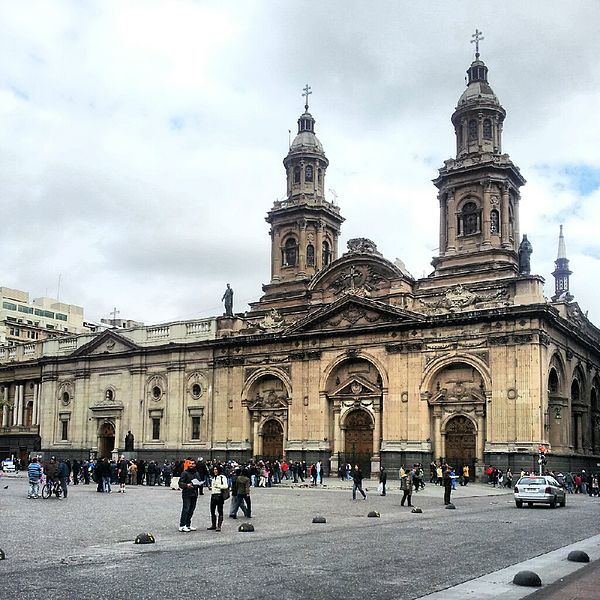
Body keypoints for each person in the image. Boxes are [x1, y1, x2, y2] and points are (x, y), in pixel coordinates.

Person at [178, 459, 201, 532]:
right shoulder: (185, 473)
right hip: (187, 493)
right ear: (188, 464)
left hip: (194, 493)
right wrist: (186, 485)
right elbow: (180, 483)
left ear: (195, 465)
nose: (191, 465)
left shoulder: (197, 473)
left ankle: (188, 524)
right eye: (190, 464)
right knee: (186, 509)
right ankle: (182, 525)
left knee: (191, 509)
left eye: (193, 464)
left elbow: (199, 482)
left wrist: (198, 484)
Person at [208, 465, 229, 531]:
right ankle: (213, 525)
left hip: (219, 496)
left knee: (220, 510)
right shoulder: (213, 478)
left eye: (216, 469)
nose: (215, 471)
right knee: (212, 511)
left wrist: (218, 486)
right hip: (213, 495)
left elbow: (226, 486)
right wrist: (211, 488)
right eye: (214, 469)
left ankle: (219, 526)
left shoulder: (222, 477)